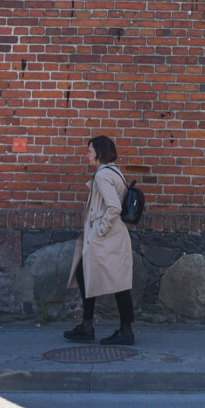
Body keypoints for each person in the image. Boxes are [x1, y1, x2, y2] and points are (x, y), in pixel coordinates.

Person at [64, 134, 136, 345]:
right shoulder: (113, 171)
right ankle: (89, 326)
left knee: (118, 284)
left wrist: (100, 230)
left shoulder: (103, 175)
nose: (87, 156)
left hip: (107, 237)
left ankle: (123, 331)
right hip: (112, 237)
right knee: (87, 275)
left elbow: (114, 207)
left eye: (90, 152)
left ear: (100, 153)